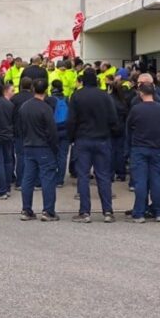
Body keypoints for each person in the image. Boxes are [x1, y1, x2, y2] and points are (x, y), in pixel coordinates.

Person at [68, 68, 118, 223]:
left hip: (83, 139)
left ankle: (85, 212)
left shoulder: (76, 96)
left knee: (83, 176)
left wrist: (71, 138)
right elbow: (113, 118)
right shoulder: (105, 96)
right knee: (103, 176)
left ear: (82, 80)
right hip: (102, 138)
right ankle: (108, 211)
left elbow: (72, 120)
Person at [17, 79, 59, 221]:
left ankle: (26, 209)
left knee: (28, 178)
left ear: (33, 89)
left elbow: (20, 127)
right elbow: (52, 131)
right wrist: (55, 148)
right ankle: (48, 211)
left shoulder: (24, 107)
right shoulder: (46, 108)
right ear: (46, 90)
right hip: (43, 147)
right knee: (47, 178)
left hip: (28, 145)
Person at [126, 83, 160, 223]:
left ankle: (139, 213)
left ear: (141, 93)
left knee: (140, 181)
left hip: (139, 148)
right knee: (157, 180)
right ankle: (159, 211)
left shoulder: (136, 109)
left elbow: (129, 127)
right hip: (157, 147)